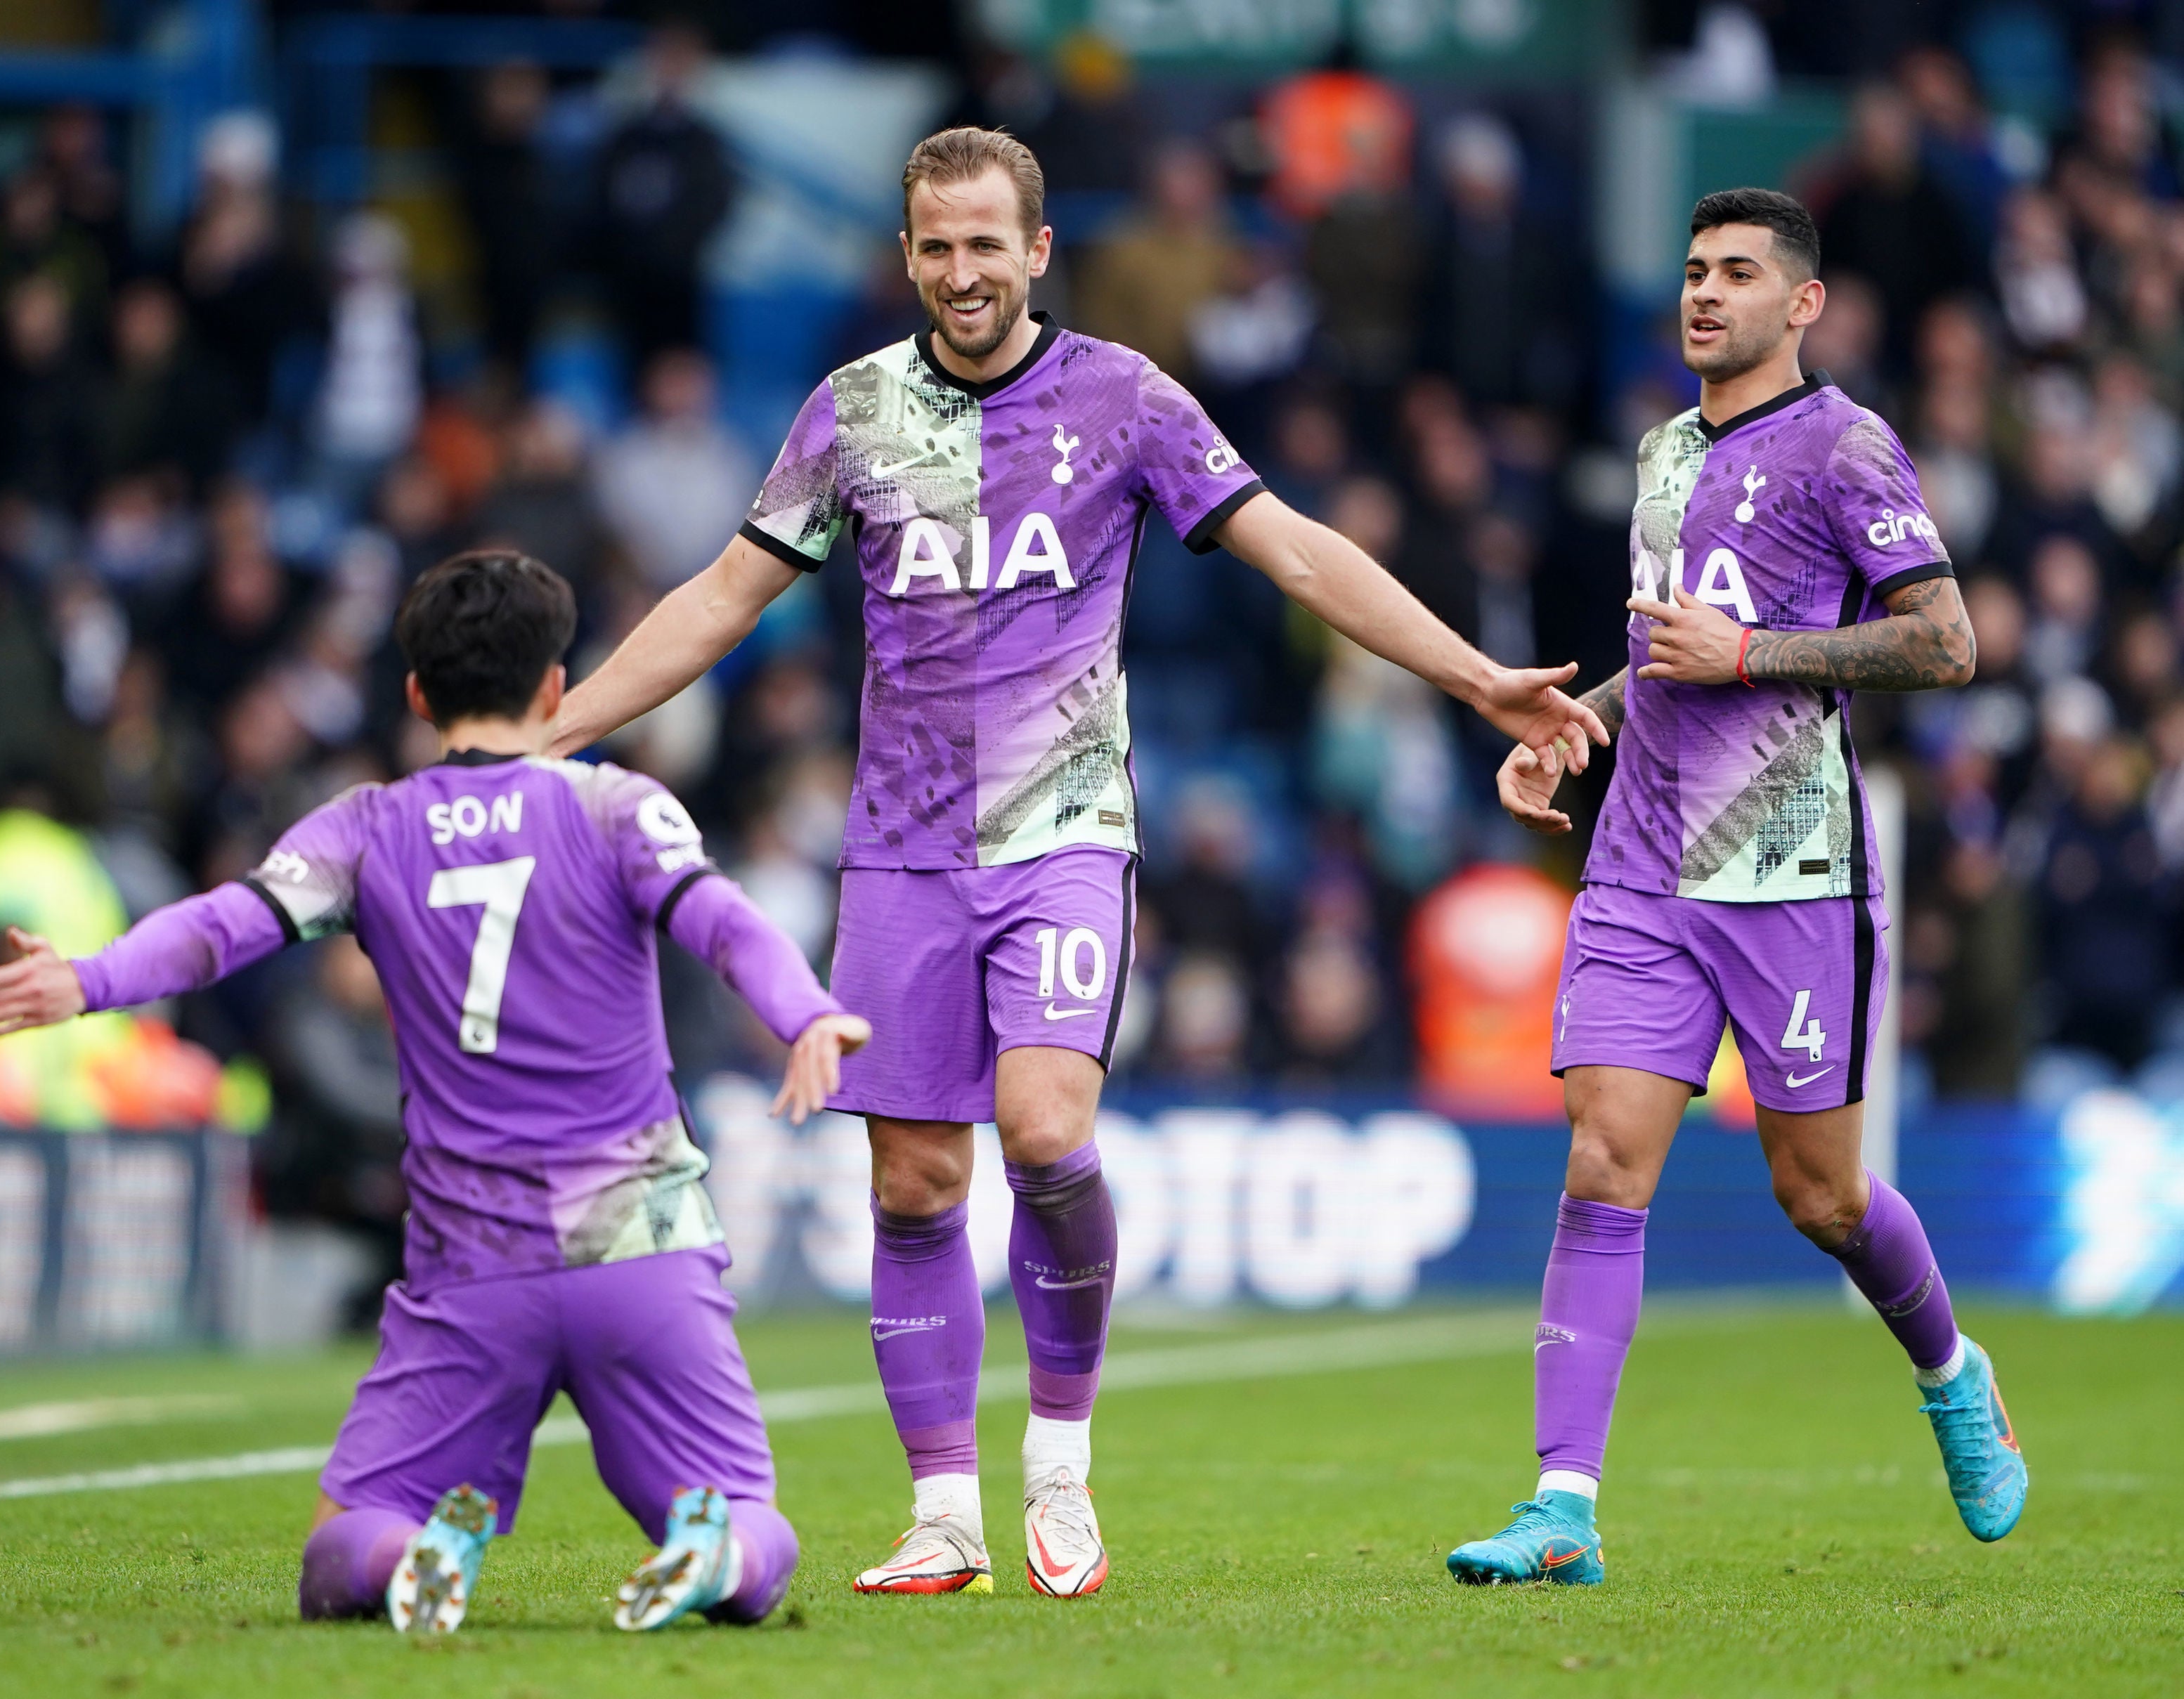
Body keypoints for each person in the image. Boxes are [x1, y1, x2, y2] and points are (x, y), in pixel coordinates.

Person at [542, 126, 1608, 1599]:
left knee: (1042, 1129)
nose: (961, 271)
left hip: (1063, 835)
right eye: (936, 246)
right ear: (910, 254)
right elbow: (725, 596)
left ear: (1037, 251)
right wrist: (560, 732)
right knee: (914, 1182)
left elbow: (1294, 550)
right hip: (900, 853)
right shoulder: (851, 409)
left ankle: (1056, 1462)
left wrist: (1475, 674)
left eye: (987, 244)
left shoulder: (1123, 398)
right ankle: (944, 1519)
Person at [0, 549, 870, 1634]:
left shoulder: (364, 828)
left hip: (477, 1266)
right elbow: (724, 920)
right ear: (557, 689)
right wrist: (805, 1008)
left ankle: (416, 1549)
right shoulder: (623, 808)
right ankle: (714, 1549)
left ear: (418, 696)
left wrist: (88, 977)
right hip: (643, 1249)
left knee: (345, 1542)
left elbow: (218, 928)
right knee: (750, 1520)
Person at [1460, 187, 2017, 1587]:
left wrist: (1758, 654)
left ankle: (1950, 1372)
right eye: (1695, 271)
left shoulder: (1845, 445)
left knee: (1818, 1195)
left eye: (1738, 275)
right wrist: (1569, 723)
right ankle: (1561, 1510)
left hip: (1788, 876)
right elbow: (1668, 655)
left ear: (1803, 303)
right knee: (1602, 1156)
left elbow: (1943, 641)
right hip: (1643, 870)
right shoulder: (1658, 452)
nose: (1704, 294)